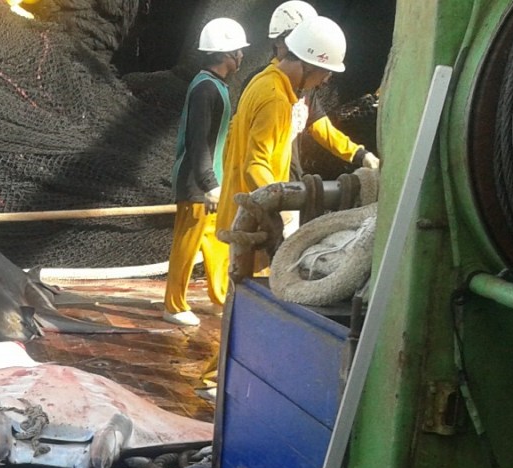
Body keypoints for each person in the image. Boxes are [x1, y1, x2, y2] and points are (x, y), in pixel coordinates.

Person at [196, 14, 350, 401]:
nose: (326, 81)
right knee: (247, 301)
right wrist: (277, 213)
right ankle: (218, 380)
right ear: (310, 64)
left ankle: (219, 376)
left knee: (242, 300)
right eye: (325, 73)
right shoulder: (276, 98)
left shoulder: (264, 81)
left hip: (245, 210)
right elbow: (257, 163)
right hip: (253, 218)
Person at [162, 18, 248, 327]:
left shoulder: (216, 86)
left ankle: (219, 295)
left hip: (211, 181)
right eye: (238, 52)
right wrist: (208, 183)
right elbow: (198, 141)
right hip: (196, 182)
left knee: (213, 239)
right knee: (187, 243)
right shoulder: (205, 89)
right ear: (227, 55)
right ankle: (173, 305)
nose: (241, 57)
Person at [267, 1, 380, 181]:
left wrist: (359, 154)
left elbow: (322, 128)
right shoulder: (265, 86)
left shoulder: (305, 88)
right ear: (279, 41)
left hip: (289, 182)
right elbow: (252, 155)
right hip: (264, 189)